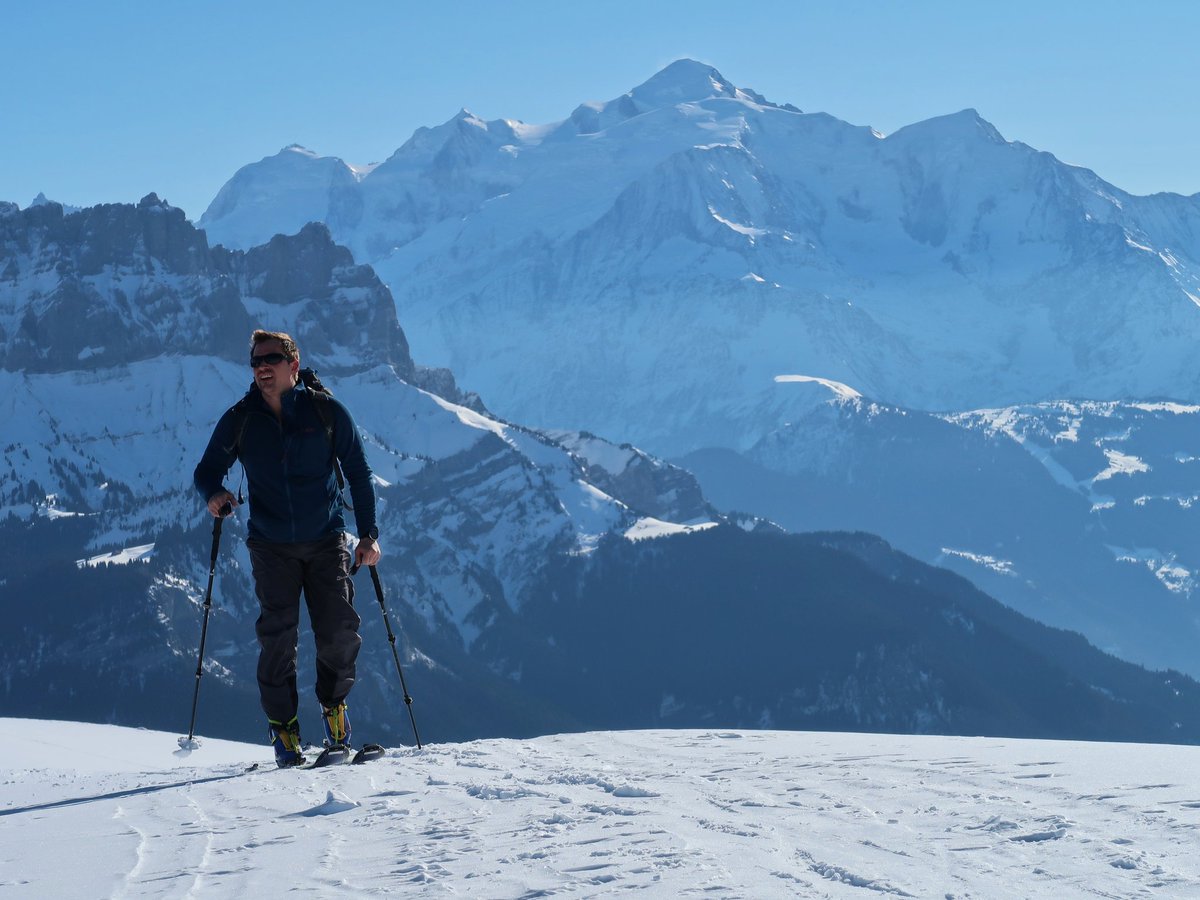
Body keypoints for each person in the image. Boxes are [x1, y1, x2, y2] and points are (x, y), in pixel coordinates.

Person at [194, 329, 381, 767]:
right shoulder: (241, 419)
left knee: (338, 631)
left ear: (293, 366)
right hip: (271, 546)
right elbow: (206, 470)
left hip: (326, 540)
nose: (262, 367)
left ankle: (335, 712)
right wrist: (215, 494)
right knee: (277, 640)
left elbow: (358, 472)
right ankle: (285, 733)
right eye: (256, 360)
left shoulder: (327, 412)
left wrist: (369, 535)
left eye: (272, 358)